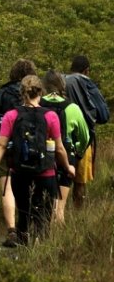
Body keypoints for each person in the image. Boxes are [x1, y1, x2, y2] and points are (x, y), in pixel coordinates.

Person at [0, 75, 75, 245]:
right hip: (46, 173)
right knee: (43, 217)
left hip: (20, 173)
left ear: (21, 93)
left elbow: (1, 144)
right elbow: (59, 148)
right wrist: (68, 167)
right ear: (40, 92)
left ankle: (22, 254)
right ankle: (41, 255)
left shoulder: (11, 115)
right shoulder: (50, 116)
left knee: (23, 216)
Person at [0, 59, 36, 247]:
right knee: (31, 187)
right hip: (32, 147)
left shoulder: (2, 93)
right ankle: (29, 229)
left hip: (6, 145)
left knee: (8, 188)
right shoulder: (35, 93)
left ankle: (12, 231)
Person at [40, 69, 89, 224]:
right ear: (63, 85)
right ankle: (58, 243)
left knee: (40, 206)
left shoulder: (38, 104)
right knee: (59, 208)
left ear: (44, 86)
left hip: (41, 157)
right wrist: (78, 152)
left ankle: (38, 239)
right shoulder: (73, 108)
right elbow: (85, 137)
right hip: (66, 157)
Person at [64, 55, 109, 208]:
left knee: (59, 178)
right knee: (80, 180)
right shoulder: (87, 84)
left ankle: (57, 213)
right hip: (83, 140)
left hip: (58, 138)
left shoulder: (60, 81)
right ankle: (77, 213)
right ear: (86, 70)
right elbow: (103, 115)